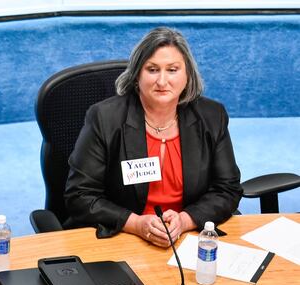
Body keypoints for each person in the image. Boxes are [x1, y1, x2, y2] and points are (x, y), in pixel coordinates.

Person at [64, 27, 242, 247]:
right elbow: (80, 195)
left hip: (188, 237)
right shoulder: (104, 118)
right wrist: (136, 224)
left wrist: (185, 221)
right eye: (152, 69)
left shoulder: (212, 116)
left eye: (173, 70)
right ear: (137, 75)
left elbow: (227, 189)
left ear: (187, 75)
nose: (162, 81)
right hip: (122, 236)